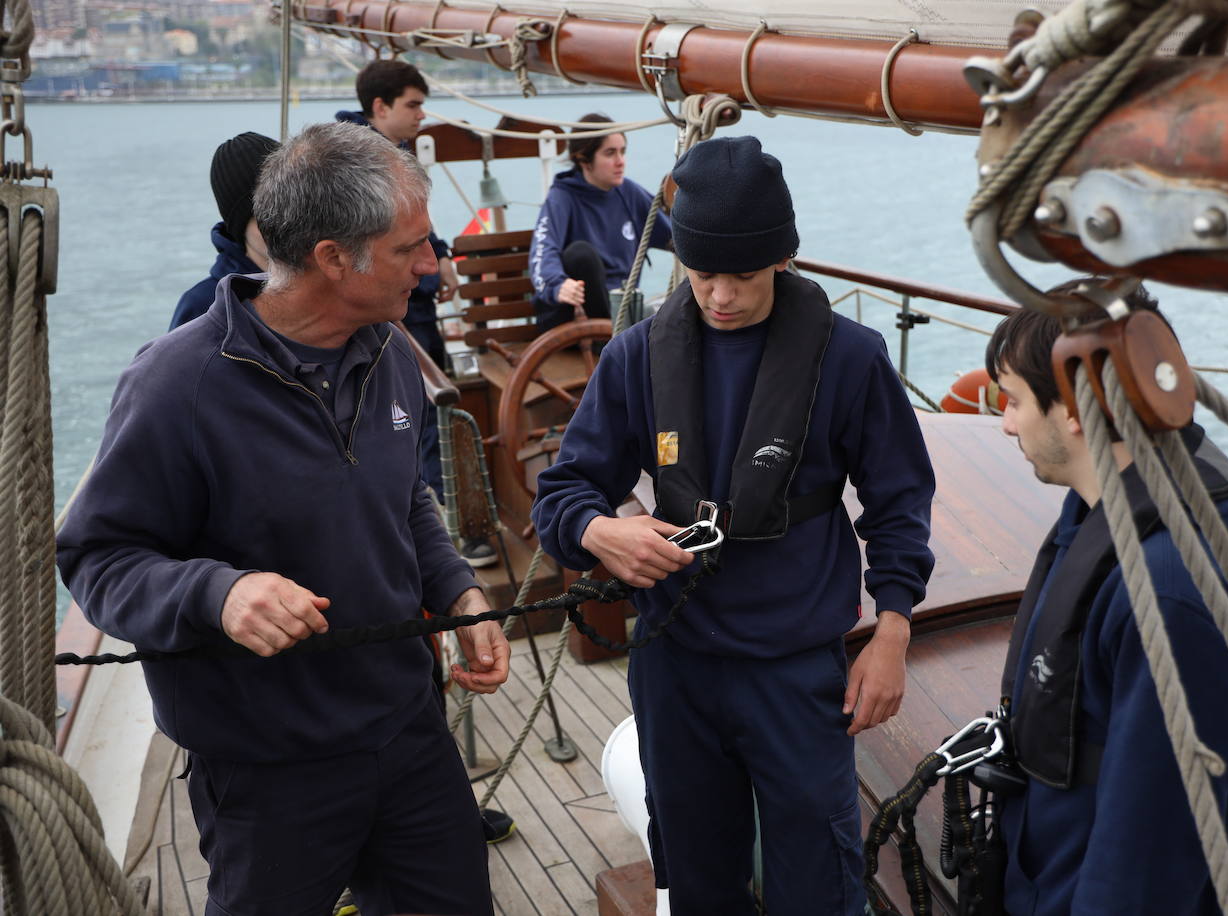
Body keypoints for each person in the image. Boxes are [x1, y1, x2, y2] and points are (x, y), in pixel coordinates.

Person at [57, 121, 510, 916]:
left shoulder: (392, 351)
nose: (432, 265)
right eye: (411, 249)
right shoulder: (177, 385)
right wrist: (217, 595)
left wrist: (460, 594)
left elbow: (406, 499)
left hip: (408, 733)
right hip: (269, 772)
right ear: (336, 258)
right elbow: (99, 558)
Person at [531, 135, 935, 915]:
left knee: (817, 878)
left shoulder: (849, 359)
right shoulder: (638, 356)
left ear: (784, 259)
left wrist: (892, 633)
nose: (719, 294)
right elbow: (564, 493)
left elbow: (898, 501)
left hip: (796, 669)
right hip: (674, 665)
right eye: (701, 270)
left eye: (743, 274)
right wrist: (599, 533)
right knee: (693, 873)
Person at [984, 287, 1228, 914]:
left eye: (1016, 401)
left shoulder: (1169, 590)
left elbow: (1152, 848)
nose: (1005, 423)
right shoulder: (1092, 519)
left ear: (1079, 412)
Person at [338, 58, 497, 567]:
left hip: (416, 305)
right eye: (413, 104)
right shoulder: (353, 164)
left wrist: (442, 255)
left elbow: (414, 225)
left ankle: (441, 523)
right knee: (416, 412)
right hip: (385, 318)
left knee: (424, 411)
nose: (422, 115)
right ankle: (452, 529)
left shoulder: (392, 154)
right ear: (379, 107)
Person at [528, 112, 673, 333]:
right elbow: (542, 251)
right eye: (610, 153)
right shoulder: (562, 197)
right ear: (584, 159)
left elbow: (676, 238)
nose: (620, 161)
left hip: (621, 311)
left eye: (623, 152)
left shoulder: (629, 194)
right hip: (573, 316)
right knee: (581, 254)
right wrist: (557, 284)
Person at [169, 131, 278, 330]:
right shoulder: (202, 305)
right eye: (266, 214)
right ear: (238, 226)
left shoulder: (334, 279)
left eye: (292, 206)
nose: (284, 220)